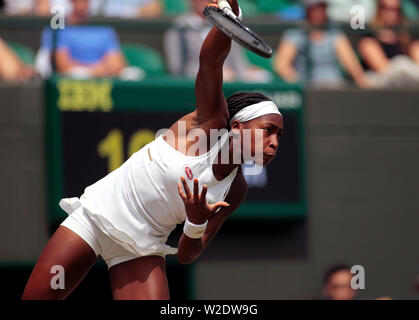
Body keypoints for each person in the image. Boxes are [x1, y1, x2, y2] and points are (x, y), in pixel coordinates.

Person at [22, 0, 283, 300]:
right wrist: (230, 20)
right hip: (95, 218)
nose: (275, 143)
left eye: (279, 135)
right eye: (268, 131)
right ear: (237, 127)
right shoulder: (210, 123)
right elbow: (211, 60)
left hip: (142, 246)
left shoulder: (235, 190)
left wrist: (196, 221)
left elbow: (187, 255)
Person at [164, 0, 272, 83]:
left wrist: (240, 73)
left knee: (264, 77)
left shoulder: (225, 23)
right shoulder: (179, 27)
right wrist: (214, 72)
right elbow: (177, 68)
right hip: (197, 81)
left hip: (231, 77)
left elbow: (237, 61)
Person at [274, 0, 369, 88]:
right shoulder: (295, 33)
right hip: (307, 88)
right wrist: (297, 82)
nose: (319, 12)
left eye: (322, 7)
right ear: (308, 9)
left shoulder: (334, 32)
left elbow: (350, 62)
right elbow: (281, 65)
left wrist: (363, 84)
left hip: (334, 86)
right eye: (316, 8)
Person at [35, 0, 126, 78]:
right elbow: (63, 66)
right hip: (73, 80)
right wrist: (93, 71)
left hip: (104, 78)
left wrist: (101, 70)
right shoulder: (60, 26)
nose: (82, 4)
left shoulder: (103, 27)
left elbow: (117, 63)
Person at [357, 0, 419, 89]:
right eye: (385, 8)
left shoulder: (408, 37)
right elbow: (381, 68)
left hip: (408, 84)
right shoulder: (369, 37)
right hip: (380, 85)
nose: (390, 14)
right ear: (378, 10)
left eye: (394, 9)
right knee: (402, 65)